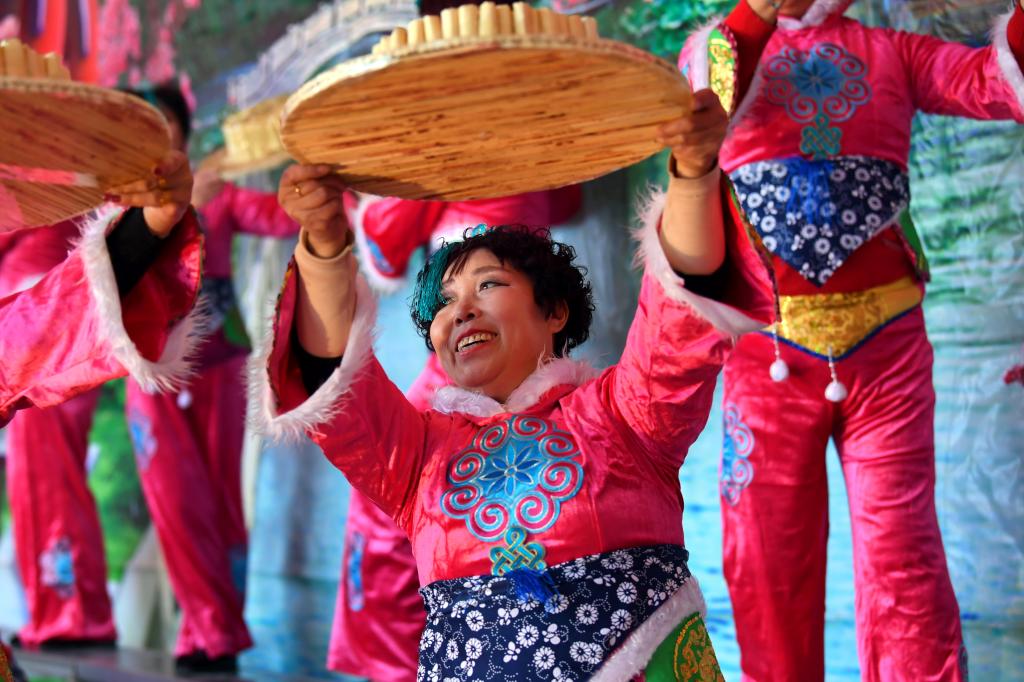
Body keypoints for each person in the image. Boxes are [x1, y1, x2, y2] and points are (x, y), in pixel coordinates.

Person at [251, 88, 774, 678]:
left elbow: (679, 320)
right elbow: (338, 389)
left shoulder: (625, 414)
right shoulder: (417, 457)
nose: (461, 311)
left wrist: (695, 173)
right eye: (442, 304)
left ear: (555, 311)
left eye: (488, 285)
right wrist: (323, 244)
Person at [678, 0, 1024, 679]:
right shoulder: (720, 46)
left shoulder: (896, 51)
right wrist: (755, 16)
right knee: (767, 557)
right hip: (766, 350)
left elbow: (993, 81)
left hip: (888, 348)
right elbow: (705, 111)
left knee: (905, 554)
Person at [330, 184, 580, 681]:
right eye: (447, 297)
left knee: (383, 523)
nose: (460, 307)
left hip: (467, 377)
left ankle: (395, 668)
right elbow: (569, 201)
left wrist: (352, 196)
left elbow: (382, 245)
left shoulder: (439, 166)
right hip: (537, 366)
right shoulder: (543, 150)